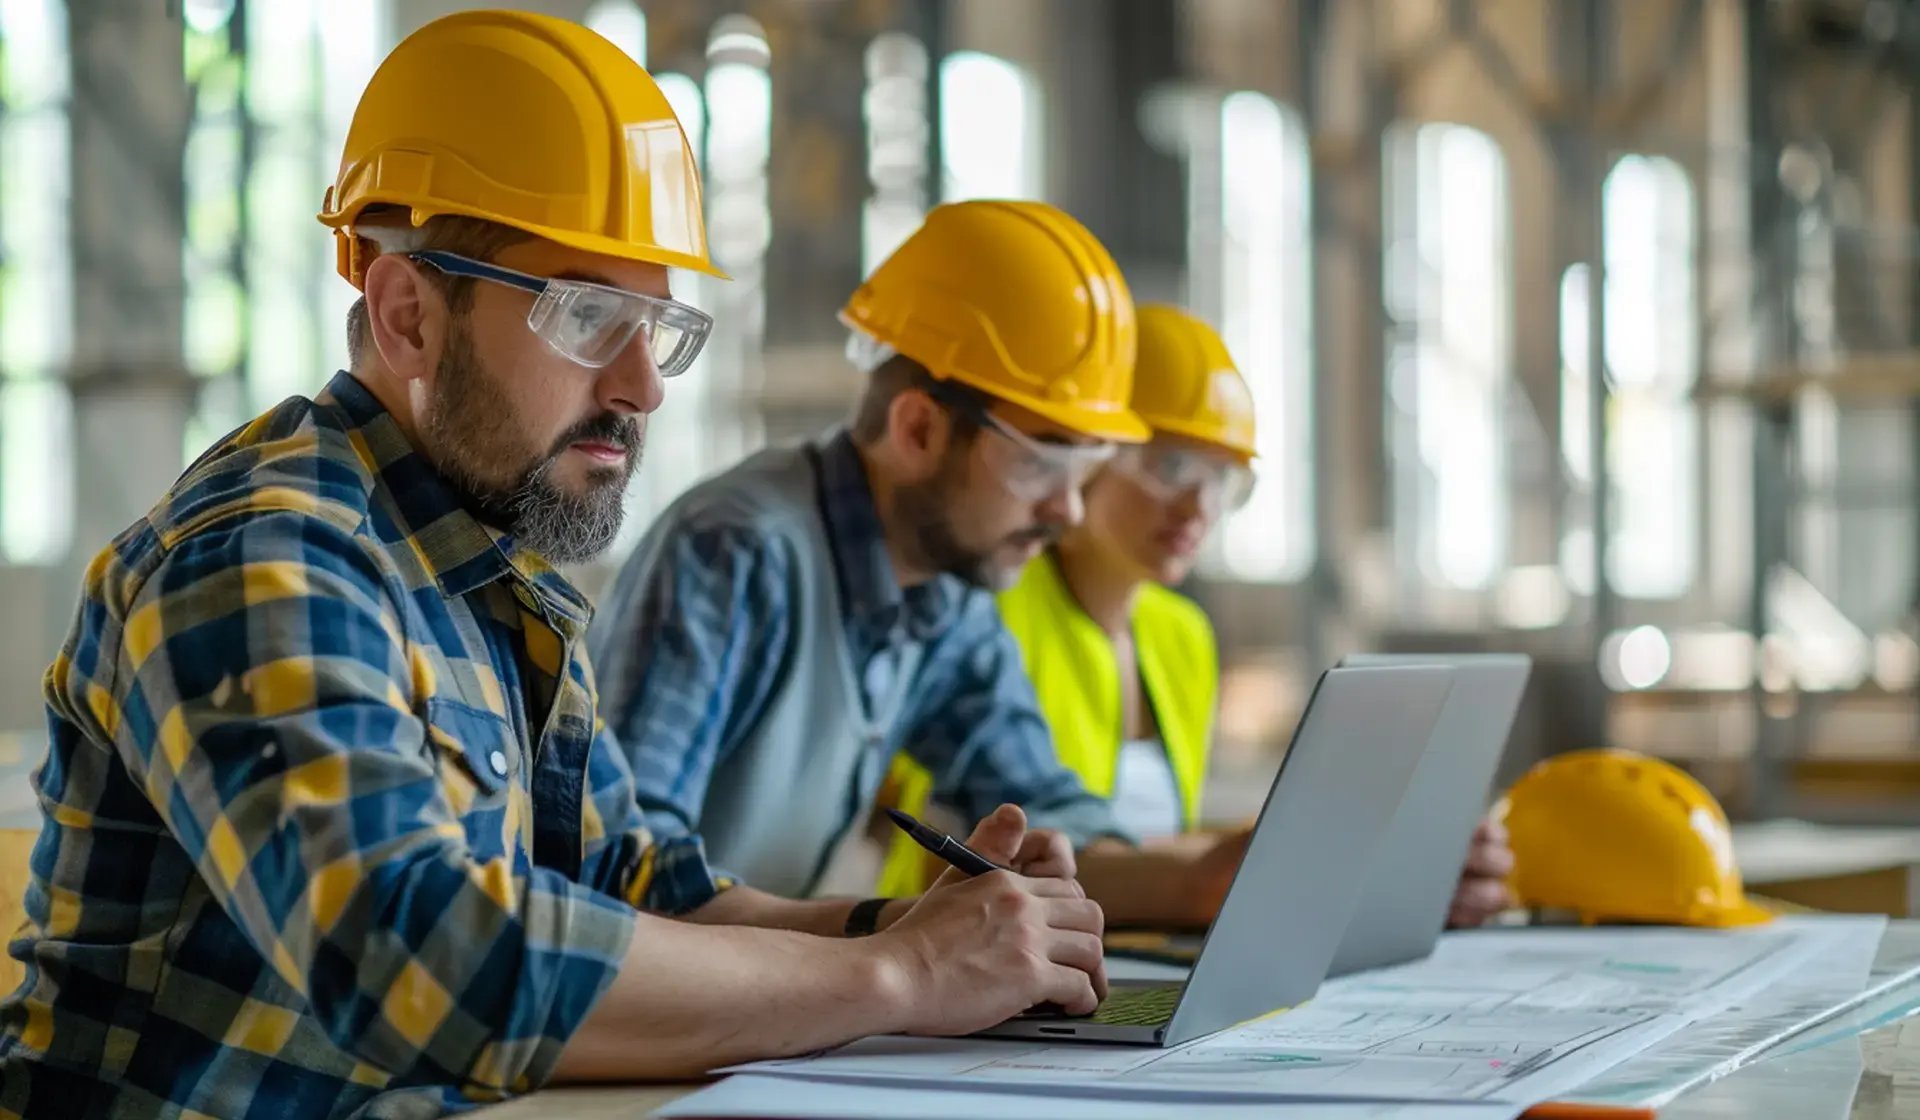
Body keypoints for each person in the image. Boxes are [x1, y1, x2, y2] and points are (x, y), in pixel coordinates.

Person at [0, 14, 1104, 1118]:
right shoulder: (263, 556)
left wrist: (921, 930)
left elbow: (642, 890)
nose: (643, 384)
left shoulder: (493, 582)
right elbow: (424, 962)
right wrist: (902, 977)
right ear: (408, 316)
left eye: (657, 325)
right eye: (589, 315)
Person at [588, 207, 1514, 935]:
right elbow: (624, 878)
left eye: (1083, 471)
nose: (1067, 510)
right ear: (917, 429)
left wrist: (1232, 874)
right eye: (1043, 462)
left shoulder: (941, 590)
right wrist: (896, 937)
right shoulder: (736, 550)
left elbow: (1048, 818)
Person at [872, 305, 1513, 929]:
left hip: (1119, 956)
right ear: (1085, 450)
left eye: (1223, 479)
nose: (1197, 505)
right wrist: (1233, 875)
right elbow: (957, 864)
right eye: (1170, 465)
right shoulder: (984, 610)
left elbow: (1144, 844)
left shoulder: (1181, 635)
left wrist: (1366, 864)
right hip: (970, 953)